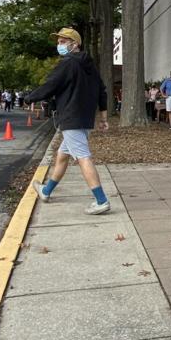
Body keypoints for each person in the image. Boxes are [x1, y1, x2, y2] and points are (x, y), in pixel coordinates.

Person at [30, 28, 112, 215]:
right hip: (84, 118)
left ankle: (101, 200)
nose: (59, 45)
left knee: (83, 157)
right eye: (59, 41)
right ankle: (46, 190)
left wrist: (29, 98)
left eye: (63, 41)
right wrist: (104, 118)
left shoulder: (68, 63)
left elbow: (50, 85)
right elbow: (102, 91)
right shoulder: (90, 67)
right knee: (62, 155)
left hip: (71, 117)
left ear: (74, 44)